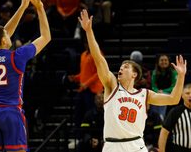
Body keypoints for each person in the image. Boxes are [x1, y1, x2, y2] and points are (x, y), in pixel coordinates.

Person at [77, 9, 187, 152]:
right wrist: (89, 32)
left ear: (135, 74)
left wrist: (181, 76)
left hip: (136, 145)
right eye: (121, 67)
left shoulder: (144, 94)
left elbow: (173, 99)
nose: (121, 69)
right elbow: (99, 59)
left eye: (126, 67)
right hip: (112, 145)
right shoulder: (111, 86)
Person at [0, 0, 51, 152]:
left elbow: (1, 33)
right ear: (4, 40)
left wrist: (23, 6)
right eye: (6, 35)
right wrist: (39, 8)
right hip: (10, 113)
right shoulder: (16, 57)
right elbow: (46, 37)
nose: (9, 34)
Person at [158, 83, 191, 152]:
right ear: (182, 95)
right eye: (187, 93)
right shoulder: (175, 112)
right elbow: (164, 133)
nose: (190, 96)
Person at [150, 54, 178, 120]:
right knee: (153, 96)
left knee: (162, 97)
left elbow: (174, 87)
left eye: (165, 60)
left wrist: (163, 91)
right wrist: (157, 91)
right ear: (158, 62)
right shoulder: (154, 72)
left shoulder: (173, 72)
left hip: (170, 93)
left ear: (169, 62)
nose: (164, 62)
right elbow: (153, 86)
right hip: (157, 92)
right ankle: (154, 117)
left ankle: (161, 118)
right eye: (161, 60)